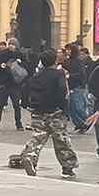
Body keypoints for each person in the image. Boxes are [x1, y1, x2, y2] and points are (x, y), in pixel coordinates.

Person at [18, 49, 79, 178]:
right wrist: (63, 108)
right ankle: (68, 167)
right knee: (61, 140)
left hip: (38, 112)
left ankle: (30, 156)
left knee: (37, 137)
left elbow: (27, 90)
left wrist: (28, 105)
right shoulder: (58, 74)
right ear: (55, 60)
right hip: (55, 112)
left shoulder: (37, 75)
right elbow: (63, 92)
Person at [0, 38, 26, 131]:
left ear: (16, 46)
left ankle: (19, 124)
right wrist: (1, 65)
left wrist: (20, 63)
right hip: (3, 83)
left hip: (15, 84)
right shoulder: (2, 53)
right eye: (10, 44)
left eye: (13, 44)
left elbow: (27, 65)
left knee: (16, 105)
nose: (11, 45)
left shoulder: (20, 54)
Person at [64, 44, 90, 133]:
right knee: (71, 108)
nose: (67, 51)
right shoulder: (67, 61)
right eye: (66, 50)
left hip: (78, 86)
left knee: (78, 107)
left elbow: (81, 74)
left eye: (69, 50)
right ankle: (80, 124)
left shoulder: (78, 61)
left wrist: (69, 75)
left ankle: (88, 121)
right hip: (70, 86)